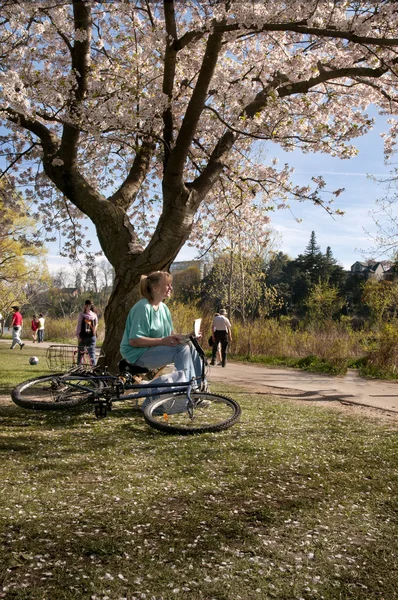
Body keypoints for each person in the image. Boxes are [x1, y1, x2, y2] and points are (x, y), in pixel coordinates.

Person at [120, 271, 203, 388]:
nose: (171, 288)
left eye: (171, 285)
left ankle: (200, 388)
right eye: (167, 285)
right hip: (136, 355)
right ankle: (187, 390)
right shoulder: (143, 307)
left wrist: (189, 336)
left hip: (154, 350)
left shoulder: (164, 308)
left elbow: (171, 335)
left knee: (191, 345)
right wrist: (162, 341)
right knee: (181, 350)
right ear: (155, 288)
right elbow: (134, 340)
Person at [76, 299, 98, 366]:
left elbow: (79, 325)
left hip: (83, 336)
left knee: (81, 353)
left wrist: (78, 335)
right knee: (92, 353)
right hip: (92, 337)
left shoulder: (82, 315)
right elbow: (96, 324)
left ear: (85, 305)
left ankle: (79, 367)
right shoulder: (94, 315)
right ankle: (94, 367)